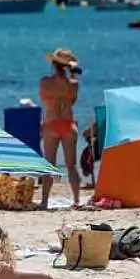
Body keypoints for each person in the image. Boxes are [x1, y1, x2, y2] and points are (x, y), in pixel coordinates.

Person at [39, 48, 81, 207]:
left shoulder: (45, 82)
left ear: (54, 65)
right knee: (71, 166)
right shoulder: (74, 84)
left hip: (51, 124)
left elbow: (44, 99)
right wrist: (72, 75)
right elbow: (73, 101)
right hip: (68, 124)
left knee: (49, 164)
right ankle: (76, 200)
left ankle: (44, 201)